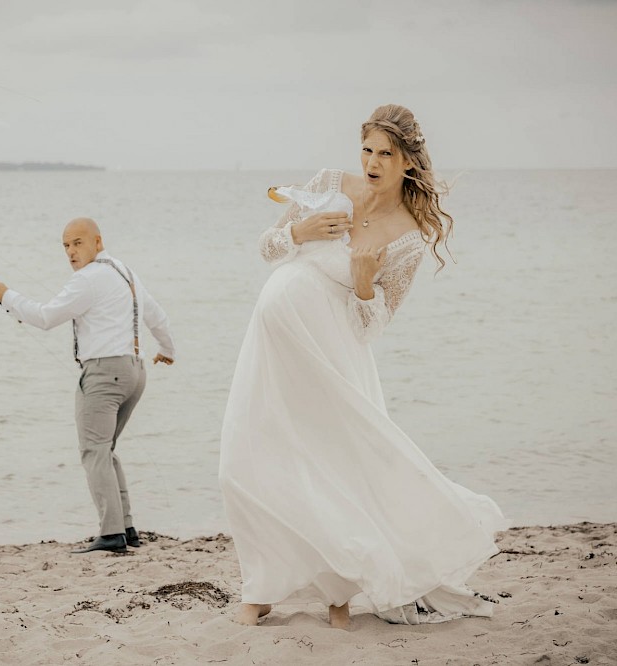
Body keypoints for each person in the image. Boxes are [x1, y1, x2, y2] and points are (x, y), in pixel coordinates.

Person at [218, 104, 507, 629]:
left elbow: (373, 324)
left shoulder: (409, 236)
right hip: (273, 347)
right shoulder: (328, 184)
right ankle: (260, 587)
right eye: (367, 150)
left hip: (332, 356)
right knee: (248, 457)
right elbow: (267, 248)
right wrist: (299, 232)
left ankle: (338, 595)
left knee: (334, 468)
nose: (372, 162)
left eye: (385, 153)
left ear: (409, 163)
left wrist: (364, 279)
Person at [0, 217, 175, 554]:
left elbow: (44, 318)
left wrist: (5, 294)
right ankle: (126, 528)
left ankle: (112, 533)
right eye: (66, 246)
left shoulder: (87, 280)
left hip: (104, 375)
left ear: (97, 242)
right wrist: (167, 349)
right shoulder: (124, 271)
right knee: (104, 450)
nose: (71, 252)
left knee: (94, 452)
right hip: (135, 372)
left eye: (77, 243)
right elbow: (156, 315)